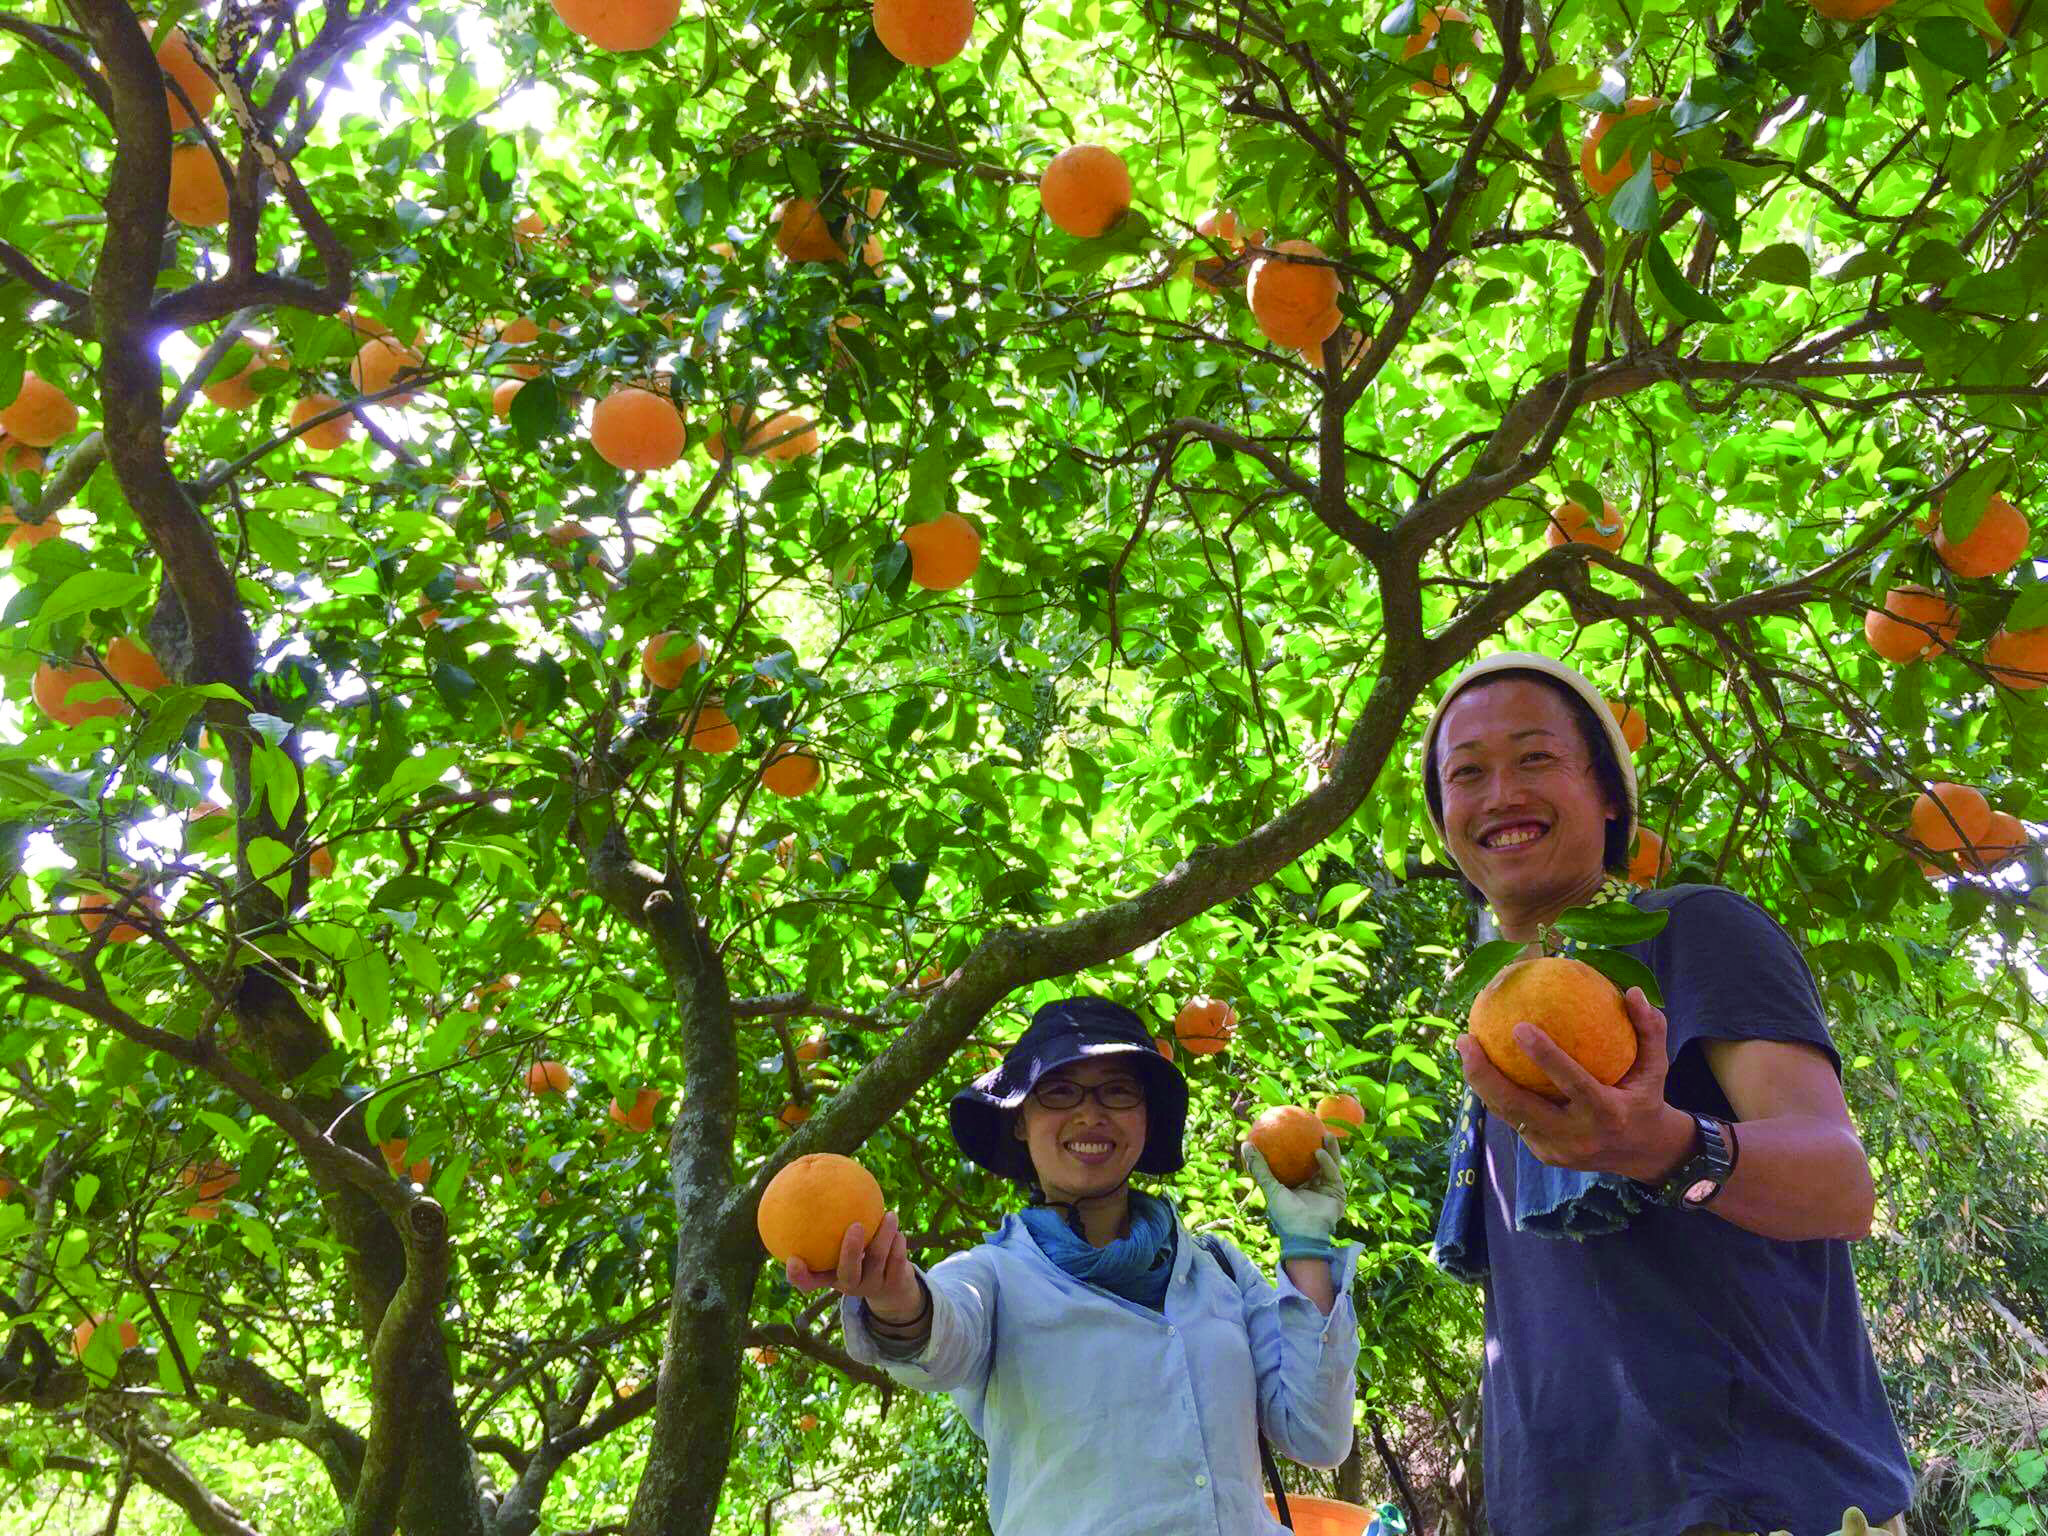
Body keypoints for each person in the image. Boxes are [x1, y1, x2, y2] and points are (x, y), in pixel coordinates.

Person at [1422, 651, 1914, 1536]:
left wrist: (1663, 1145)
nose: (1499, 793)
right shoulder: (1496, 1025)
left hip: (1760, 1508)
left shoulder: (1691, 929)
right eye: (1467, 773)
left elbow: (1843, 1185)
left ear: (1609, 795)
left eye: (1535, 758)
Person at [786, 997, 1359, 1535]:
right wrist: (892, 1297)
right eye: (1059, 1092)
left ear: (1147, 1119)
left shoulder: (1219, 1269)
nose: (1091, 1114)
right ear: (1019, 1120)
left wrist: (1306, 1244)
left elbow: (1316, 1435)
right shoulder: (992, 1276)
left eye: (1117, 1092)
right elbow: (940, 1334)